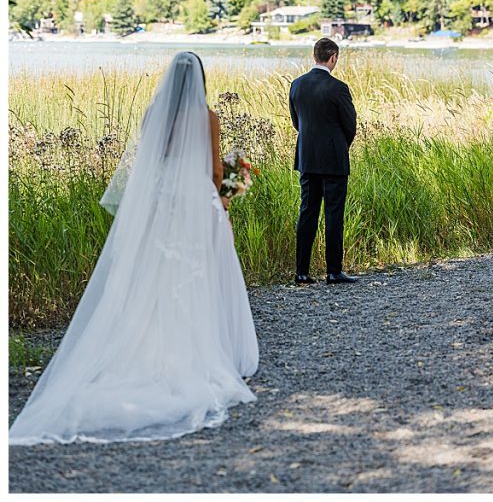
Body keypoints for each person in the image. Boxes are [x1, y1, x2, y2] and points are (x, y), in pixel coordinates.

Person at [9, 52, 258, 445]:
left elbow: (149, 162)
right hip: (194, 201)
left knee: (155, 276)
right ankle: (202, 350)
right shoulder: (208, 117)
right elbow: (213, 170)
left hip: (159, 202)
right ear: (199, 80)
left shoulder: (152, 112)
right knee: (197, 274)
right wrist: (223, 197)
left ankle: (147, 347)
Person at [289, 37, 358, 284]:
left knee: (307, 212)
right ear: (333, 58)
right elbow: (350, 125)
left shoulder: (297, 85)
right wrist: (339, 146)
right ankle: (333, 271)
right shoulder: (338, 87)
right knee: (333, 214)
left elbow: (297, 123)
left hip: (307, 157)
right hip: (333, 159)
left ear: (314, 56)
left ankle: (302, 272)